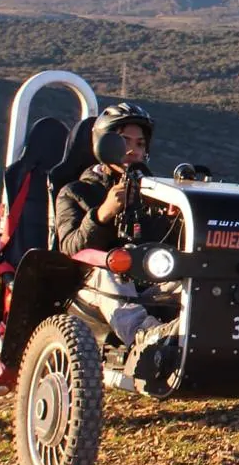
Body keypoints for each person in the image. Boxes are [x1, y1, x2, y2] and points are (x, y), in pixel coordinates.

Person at [54, 101, 182, 392]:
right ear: (103, 144)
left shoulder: (157, 193)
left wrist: (174, 223)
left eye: (140, 143)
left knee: (190, 278)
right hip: (92, 285)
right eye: (123, 141)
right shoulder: (75, 192)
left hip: (144, 284)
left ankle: (195, 334)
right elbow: (69, 248)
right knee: (110, 267)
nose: (133, 150)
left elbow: (165, 252)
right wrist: (102, 214)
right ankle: (147, 338)